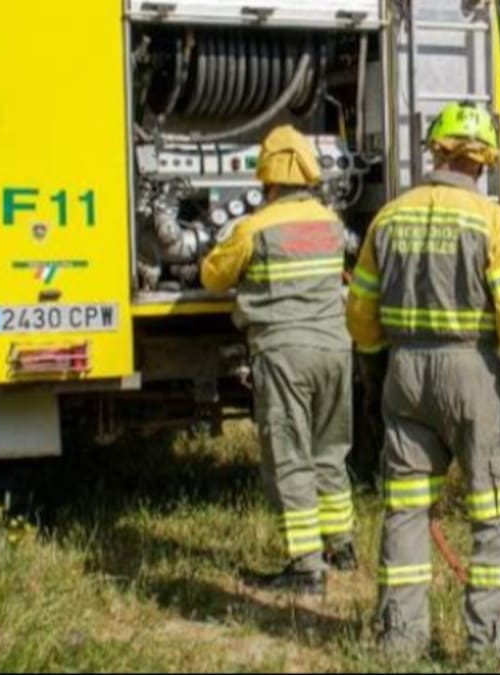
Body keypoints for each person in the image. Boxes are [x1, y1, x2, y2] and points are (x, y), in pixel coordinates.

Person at [346, 101, 500, 659]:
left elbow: (360, 314)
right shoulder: (492, 221)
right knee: (497, 506)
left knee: (407, 508)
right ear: (484, 161)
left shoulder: (389, 217)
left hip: (404, 373)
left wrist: (376, 375)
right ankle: (488, 640)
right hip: (473, 372)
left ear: (435, 150)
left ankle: (401, 638)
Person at [201, 125, 357, 594]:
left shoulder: (254, 228)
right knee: (330, 451)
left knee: (290, 458)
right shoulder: (331, 222)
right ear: (309, 170)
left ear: (265, 175)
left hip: (285, 354)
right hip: (335, 350)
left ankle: (306, 568)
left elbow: (212, 277)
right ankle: (343, 547)